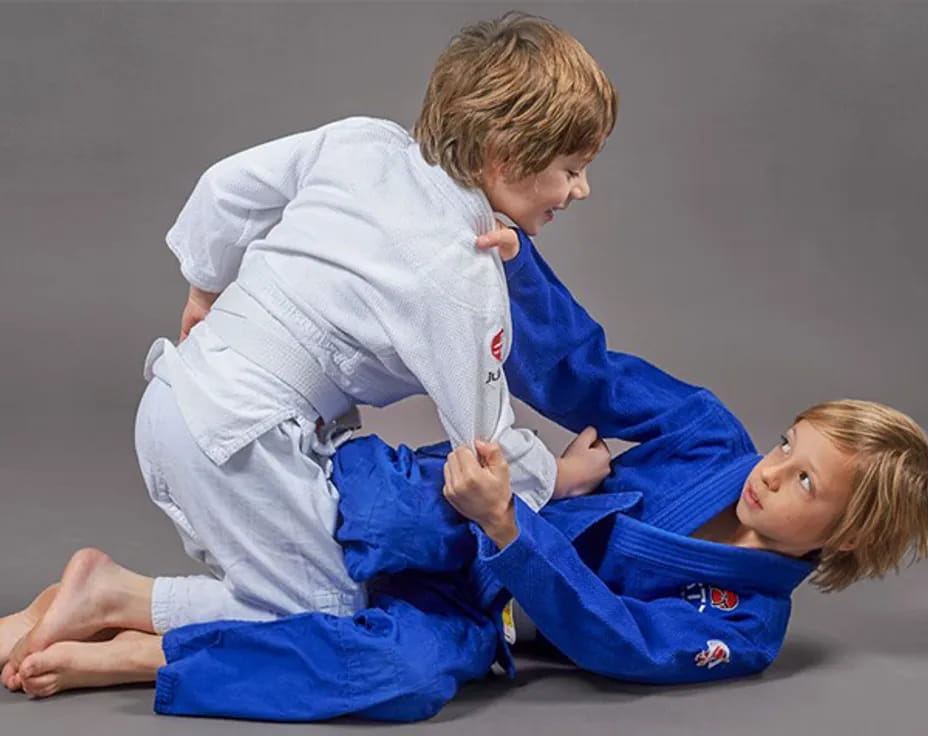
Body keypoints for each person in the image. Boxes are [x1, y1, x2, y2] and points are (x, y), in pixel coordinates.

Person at [2, 229, 926, 721]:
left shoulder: (747, 626)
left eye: (807, 484)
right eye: (788, 445)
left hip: (485, 603)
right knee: (381, 536)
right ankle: (135, 599)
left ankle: (137, 628)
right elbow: (588, 370)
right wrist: (516, 270)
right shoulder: (710, 440)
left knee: (398, 675)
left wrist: (513, 536)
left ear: (846, 537)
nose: (771, 473)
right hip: (444, 512)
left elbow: (620, 641)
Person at [14, 10, 620, 664]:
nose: (581, 190)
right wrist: (558, 475)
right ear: (507, 158)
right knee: (325, 609)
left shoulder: (366, 143)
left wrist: (205, 291)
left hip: (178, 394)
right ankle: (114, 598)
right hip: (240, 437)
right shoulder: (457, 276)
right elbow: (483, 446)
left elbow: (225, 191)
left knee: (300, 581)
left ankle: (80, 614)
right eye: (571, 168)